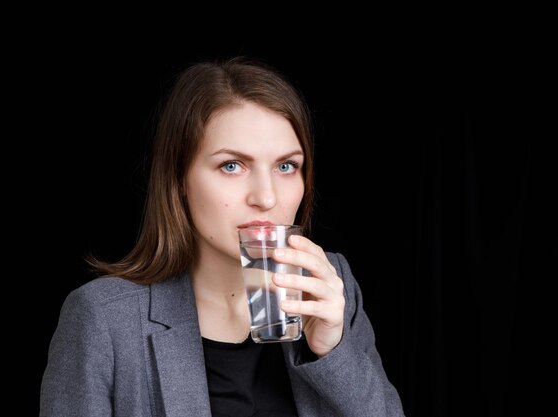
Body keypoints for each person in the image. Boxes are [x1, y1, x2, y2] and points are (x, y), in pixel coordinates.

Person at [40, 55, 405, 417]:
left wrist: (332, 351)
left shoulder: (330, 286)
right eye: (232, 166)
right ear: (178, 180)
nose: (266, 197)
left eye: (286, 166)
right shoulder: (104, 318)